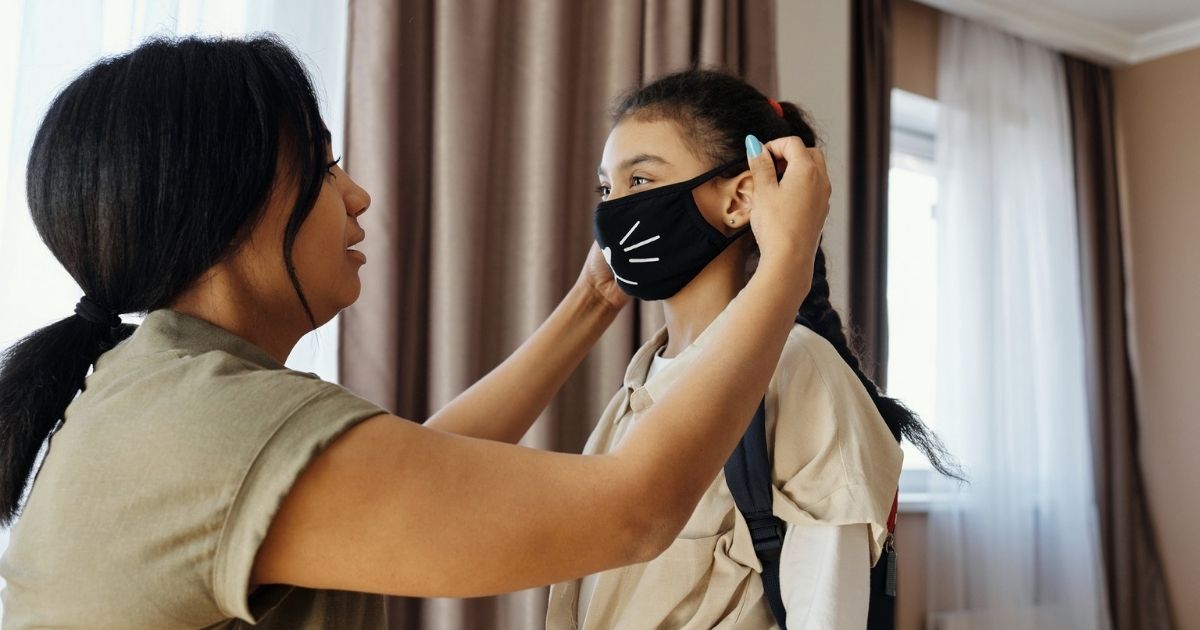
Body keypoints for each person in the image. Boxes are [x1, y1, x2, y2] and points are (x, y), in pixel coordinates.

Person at [0, 37, 831, 628]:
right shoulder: (206, 429)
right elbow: (635, 512)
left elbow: (418, 465)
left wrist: (590, 304)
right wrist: (787, 261)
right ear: (224, 208)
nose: (357, 196)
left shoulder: (159, 393)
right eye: (323, 169)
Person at [546, 69, 961, 630]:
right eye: (606, 188)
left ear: (741, 197)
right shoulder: (639, 381)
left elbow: (828, 614)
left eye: (639, 182)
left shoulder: (800, 371)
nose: (612, 211)